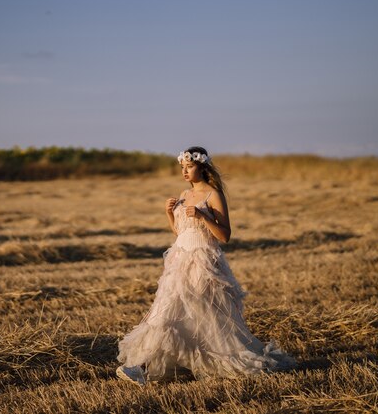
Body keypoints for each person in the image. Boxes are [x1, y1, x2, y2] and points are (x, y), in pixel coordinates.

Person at [116, 146, 296, 385]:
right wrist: (169, 214)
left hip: (203, 262)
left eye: (189, 167)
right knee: (165, 313)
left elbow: (224, 235)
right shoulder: (184, 193)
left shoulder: (213, 195)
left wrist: (204, 216)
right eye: (182, 167)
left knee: (203, 317)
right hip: (179, 261)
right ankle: (143, 367)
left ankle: (153, 366)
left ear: (202, 167)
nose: (185, 171)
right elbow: (180, 231)